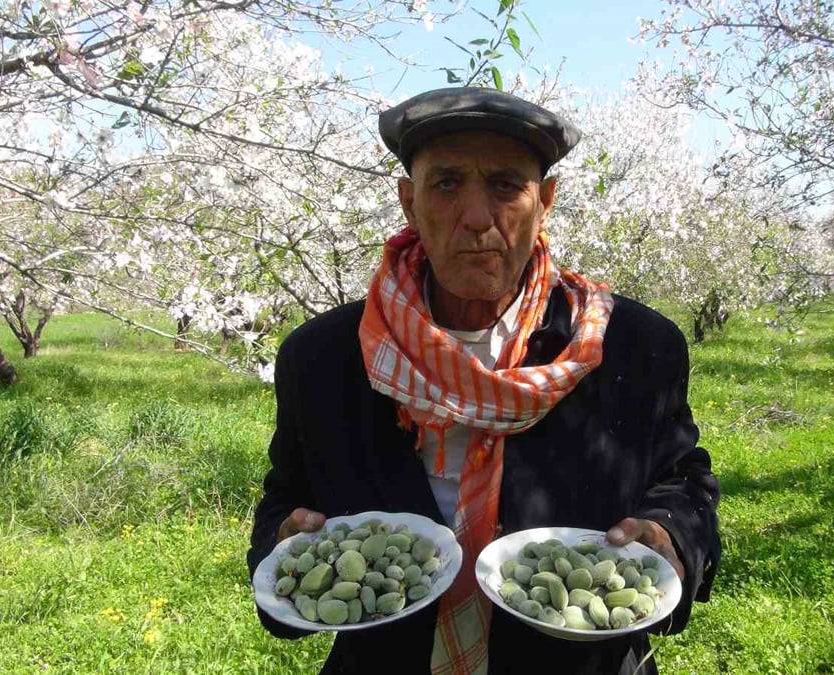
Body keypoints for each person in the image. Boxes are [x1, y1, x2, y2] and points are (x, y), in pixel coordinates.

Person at [247, 87, 721, 675]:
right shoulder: (323, 358)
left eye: (505, 185)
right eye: (446, 183)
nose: (476, 217)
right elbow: (287, 496)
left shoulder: (632, 349)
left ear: (544, 201)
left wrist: (672, 536)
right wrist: (283, 548)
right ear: (408, 201)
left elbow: (682, 479)